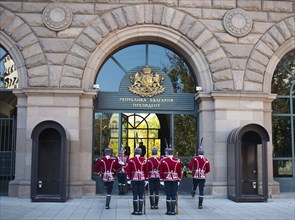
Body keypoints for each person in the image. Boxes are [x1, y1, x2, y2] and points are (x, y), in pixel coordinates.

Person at [159, 147, 182, 215]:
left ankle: (169, 211)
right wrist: (179, 180)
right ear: (173, 153)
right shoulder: (177, 160)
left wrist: (161, 179)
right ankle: (173, 211)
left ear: (167, 153)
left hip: (166, 179)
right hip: (175, 179)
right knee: (173, 194)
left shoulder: (163, 160)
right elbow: (179, 171)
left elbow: (161, 171)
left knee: (168, 194)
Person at [126, 147, 148, 215]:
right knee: (141, 194)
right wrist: (146, 179)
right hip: (142, 178)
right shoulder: (144, 160)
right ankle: (140, 211)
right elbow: (146, 170)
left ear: (135, 152)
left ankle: (135, 211)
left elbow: (128, 170)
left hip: (134, 178)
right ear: (141, 152)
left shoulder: (131, 160)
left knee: (135, 194)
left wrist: (128, 178)